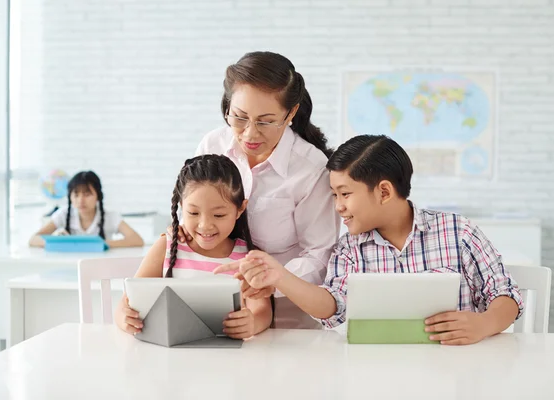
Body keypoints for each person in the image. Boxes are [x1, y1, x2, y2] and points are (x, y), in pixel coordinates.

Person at [217, 135, 523, 345]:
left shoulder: (460, 233)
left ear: (384, 191)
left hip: (460, 367)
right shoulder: (349, 249)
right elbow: (333, 305)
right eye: (334, 195)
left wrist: (483, 325)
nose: (338, 206)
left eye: (345, 194)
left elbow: (504, 294)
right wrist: (280, 276)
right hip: (377, 373)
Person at [177, 51, 340, 328]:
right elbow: (194, 206)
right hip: (213, 301)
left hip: (289, 310)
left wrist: (272, 280)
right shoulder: (213, 145)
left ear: (291, 114)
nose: (250, 134)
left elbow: (320, 254)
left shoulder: (310, 168)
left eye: (265, 121)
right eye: (239, 118)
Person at [115, 155, 272, 339]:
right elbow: (129, 300)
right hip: (172, 357)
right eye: (193, 213)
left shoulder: (249, 257)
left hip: (229, 359)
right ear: (181, 206)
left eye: (219, 215)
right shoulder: (166, 246)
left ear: (240, 209)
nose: (205, 225)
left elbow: (262, 310)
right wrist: (123, 317)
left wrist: (252, 323)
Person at [29, 170, 144, 248]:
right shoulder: (63, 214)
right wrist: (62, 243)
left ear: (98, 196)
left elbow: (137, 240)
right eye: (76, 195)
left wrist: (102, 244)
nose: (81, 200)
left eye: (87, 194)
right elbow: (33, 240)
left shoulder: (111, 217)